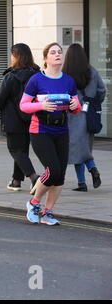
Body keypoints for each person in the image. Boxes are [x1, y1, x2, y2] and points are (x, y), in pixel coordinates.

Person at [20, 42, 81, 226]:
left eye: (59, 52)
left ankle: (48, 212)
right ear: (45, 58)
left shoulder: (68, 81)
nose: (57, 55)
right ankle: (34, 203)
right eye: (53, 53)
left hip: (62, 130)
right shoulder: (36, 80)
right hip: (40, 130)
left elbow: (76, 107)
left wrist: (74, 106)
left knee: (60, 175)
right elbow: (23, 105)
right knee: (52, 170)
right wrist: (41, 105)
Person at [0, 43, 40, 192]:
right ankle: (16, 181)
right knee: (22, 150)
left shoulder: (11, 77)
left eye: (12, 54)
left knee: (15, 149)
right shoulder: (36, 75)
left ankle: (34, 177)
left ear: (16, 57)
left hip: (13, 120)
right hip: (31, 118)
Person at [62, 43, 105, 192]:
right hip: (89, 115)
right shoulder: (92, 71)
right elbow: (102, 90)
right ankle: (82, 182)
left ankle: (91, 172)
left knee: (76, 149)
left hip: (72, 116)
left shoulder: (65, 73)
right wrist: (94, 102)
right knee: (84, 148)